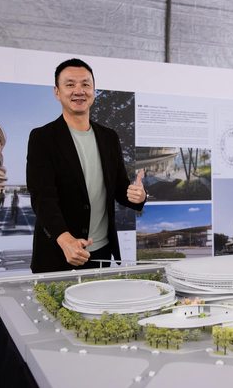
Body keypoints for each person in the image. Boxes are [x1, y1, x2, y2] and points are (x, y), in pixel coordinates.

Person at [27, 58, 147, 273]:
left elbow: (119, 188)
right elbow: (42, 198)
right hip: (59, 252)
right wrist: (65, 239)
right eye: (70, 84)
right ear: (57, 92)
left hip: (101, 253)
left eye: (85, 84)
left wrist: (138, 196)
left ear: (94, 90)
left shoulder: (109, 137)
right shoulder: (42, 138)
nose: (79, 91)